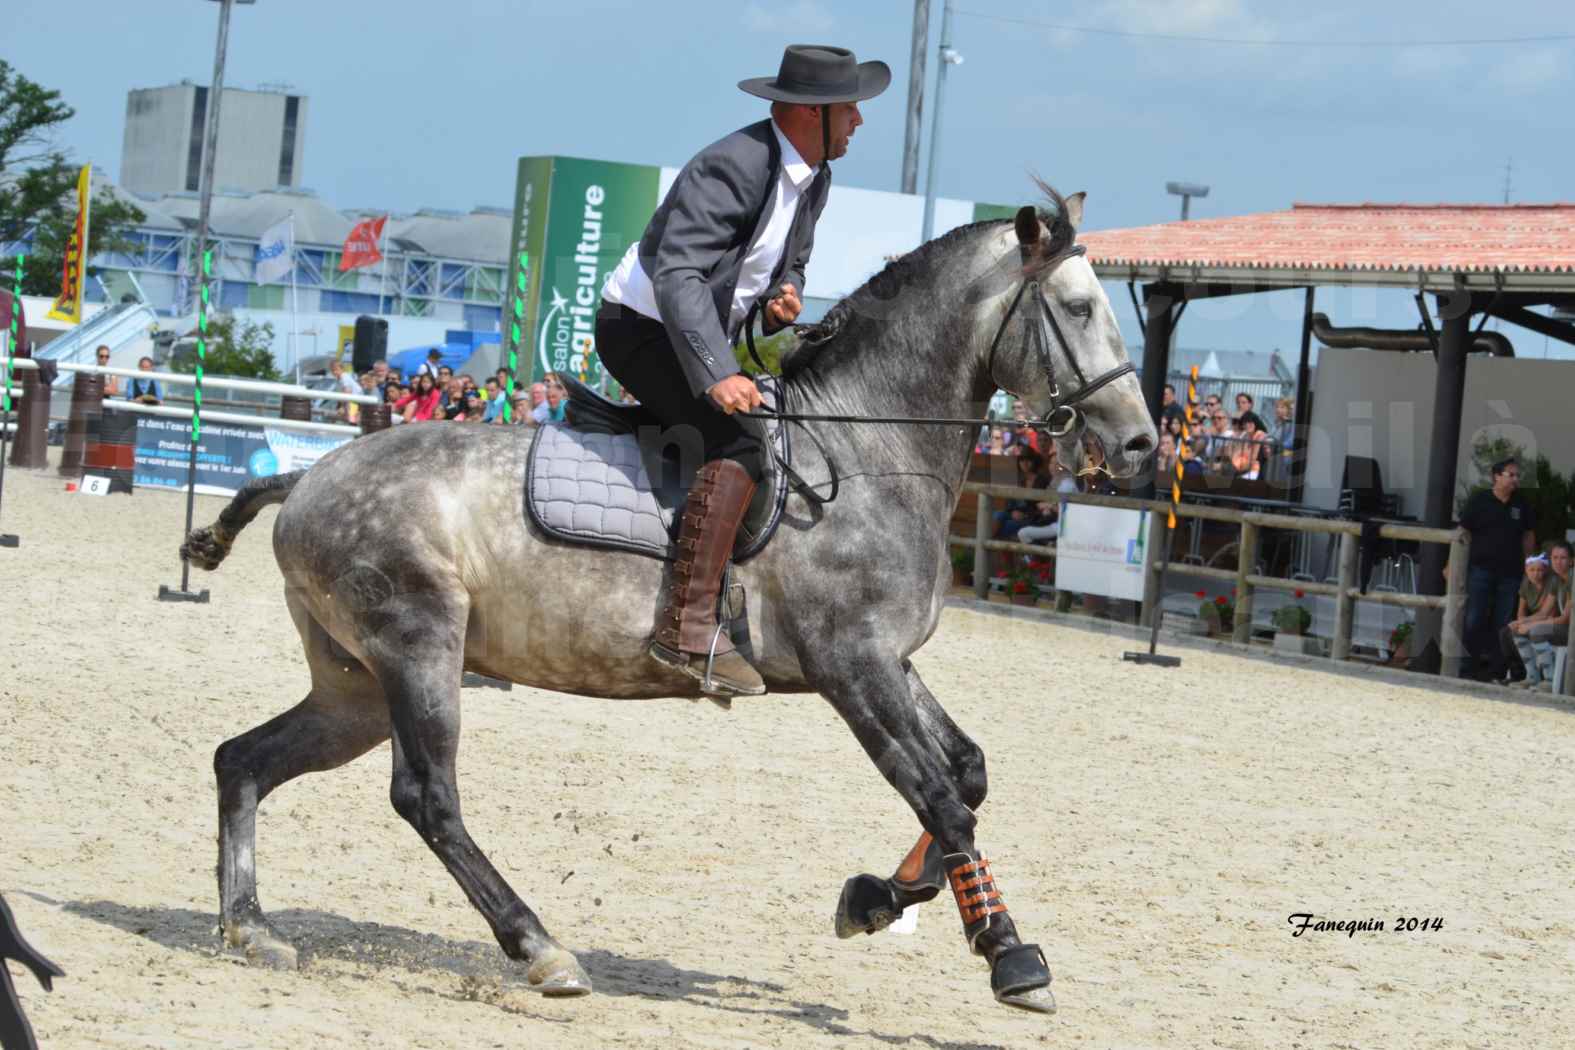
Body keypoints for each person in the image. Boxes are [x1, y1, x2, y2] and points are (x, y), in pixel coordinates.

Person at [595, 43, 888, 697]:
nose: (859, 124)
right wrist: (716, 372)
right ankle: (686, 628)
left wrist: (782, 298)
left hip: (695, 330)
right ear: (812, 115)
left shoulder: (815, 175)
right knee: (740, 439)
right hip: (641, 329)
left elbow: (787, 266)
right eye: (851, 111)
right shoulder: (731, 165)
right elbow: (677, 275)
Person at [1459, 458, 1537, 679]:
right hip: (1481, 570)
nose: (1515, 479)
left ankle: (1497, 670)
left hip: (1511, 573)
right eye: (1511, 475)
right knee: (1474, 619)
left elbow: (1528, 536)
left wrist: (1529, 565)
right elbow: (1463, 532)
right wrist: (1450, 563)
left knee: (1502, 623)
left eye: (1517, 476)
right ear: (1496, 476)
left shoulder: (1521, 504)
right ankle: (1467, 668)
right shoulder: (1480, 501)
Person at [1510, 542, 1572, 690]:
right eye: (1555, 557)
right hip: (1563, 627)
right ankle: (1532, 676)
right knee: (1517, 630)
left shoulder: (1572, 580)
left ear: (1571, 561)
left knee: (1537, 631)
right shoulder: (1557, 580)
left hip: (1570, 629)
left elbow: (1565, 619)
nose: (1558, 561)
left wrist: (1532, 625)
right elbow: (1544, 612)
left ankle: (1550, 680)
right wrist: (1521, 622)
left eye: (1563, 558)